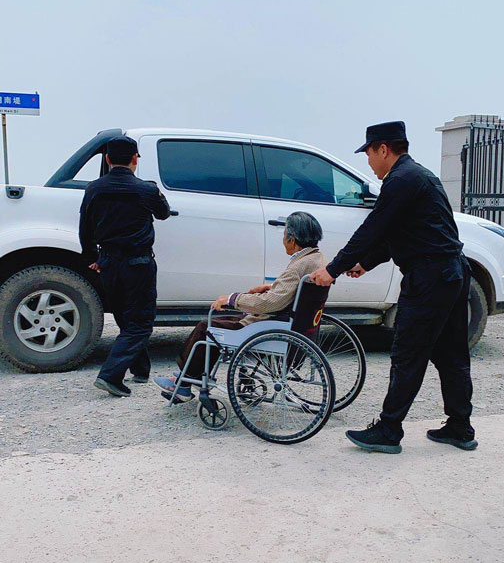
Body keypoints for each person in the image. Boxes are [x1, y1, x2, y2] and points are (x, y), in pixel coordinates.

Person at [311, 120, 476, 454]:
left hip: (430, 278)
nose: (369, 162)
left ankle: (388, 431)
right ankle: (460, 427)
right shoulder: (419, 176)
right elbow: (399, 233)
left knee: (407, 354)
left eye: (369, 154)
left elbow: (372, 229)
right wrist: (366, 263)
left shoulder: (400, 180)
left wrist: (332, 269)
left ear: (383, 149)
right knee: (451, 354)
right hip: (452, 274)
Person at [153, 211, 326, 402]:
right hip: (290, 321)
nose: (283, 240)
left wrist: (233, 299)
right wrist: (271, 287)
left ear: (292, 240)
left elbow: (270, 303)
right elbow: (293, 291)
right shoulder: (316, 259)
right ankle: (189, 376)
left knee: (206, 327)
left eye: (284, 235)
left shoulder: (298, 266)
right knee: (220, 324)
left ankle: (184, 384)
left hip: (270, 322)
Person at [79, 135, 171, 396]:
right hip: (138, 263)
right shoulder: (145, 190)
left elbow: (85, 228)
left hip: (108, 262)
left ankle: (140, 370)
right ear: (134, 159)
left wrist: (92, 258)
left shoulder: (93, 189)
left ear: (108, 159)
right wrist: (156, 191)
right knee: (140, 323)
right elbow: (163, 213)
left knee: (125, 319)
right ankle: (110, 376)